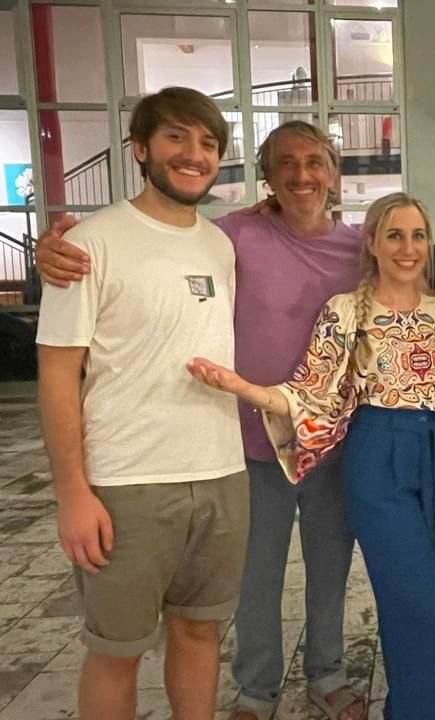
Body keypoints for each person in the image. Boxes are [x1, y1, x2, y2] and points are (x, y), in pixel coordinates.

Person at [34, 120, 366, 720]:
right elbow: (158, 238)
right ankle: (256, 689)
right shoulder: (231, 235)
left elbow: (414, 269)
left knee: (330, 569)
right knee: (255, 577)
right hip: (248, 445)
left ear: (334, 173)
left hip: (332, 443)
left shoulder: (361, 249)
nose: (302, 175)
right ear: (267, 177)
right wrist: (57, 248)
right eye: (286, 163)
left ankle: (328, 673)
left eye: (315, 162)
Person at [185, 192, 435, 720]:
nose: (408, 247)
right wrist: (244, 388)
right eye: (395, 235)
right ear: (373, 244)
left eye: (418, 236)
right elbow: (310, 392)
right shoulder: (344, 312)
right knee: (417, 600)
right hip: (377, 458)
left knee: (433, 604)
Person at [35, 87, 248, 720]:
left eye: (207, 143)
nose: (193, 154)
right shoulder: (89, 244)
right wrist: (72, 492)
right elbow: (57, 373)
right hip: (127, 481)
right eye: (176, 137)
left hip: (220, 471)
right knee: (117, 651)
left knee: (200, 630)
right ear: (140, 149)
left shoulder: (219, 246)